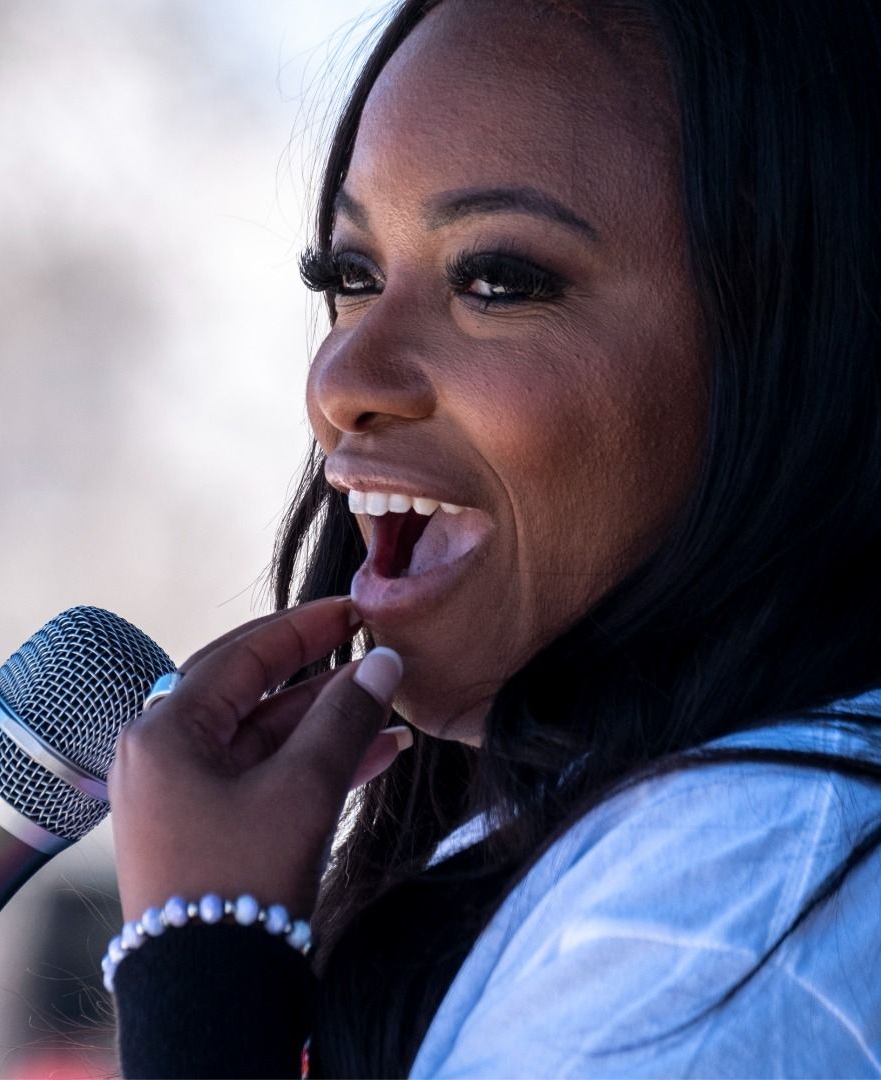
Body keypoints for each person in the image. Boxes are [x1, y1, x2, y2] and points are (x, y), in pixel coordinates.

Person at [103, 0, 881, 1075]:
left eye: (496, 281)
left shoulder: (719, 925)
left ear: (794, 346)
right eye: (350, 278)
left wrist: (202, 978)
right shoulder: (642, 843)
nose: (340, 383)